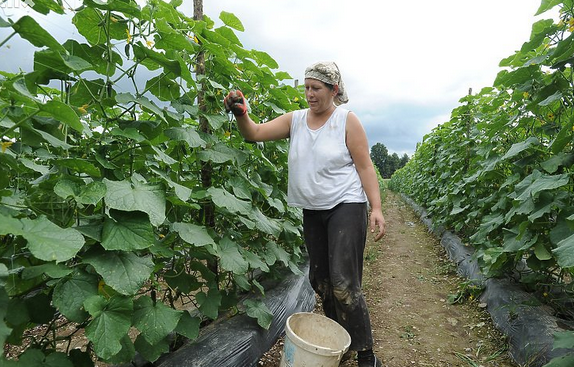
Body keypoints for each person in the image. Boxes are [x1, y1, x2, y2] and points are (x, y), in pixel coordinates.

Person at [224, 61, 386, 367]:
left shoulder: (346, 121)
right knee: (321, 281)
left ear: (334, 90)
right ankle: (342, 344)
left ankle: (366, 355)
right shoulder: (296, 120)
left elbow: (365, 166)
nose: (310, 95)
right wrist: (241, 113)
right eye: (307, 88)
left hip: (346, 205)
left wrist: (375, 207)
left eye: (316, 89)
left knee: (343, 282)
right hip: (313, 210)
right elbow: (255, 133)